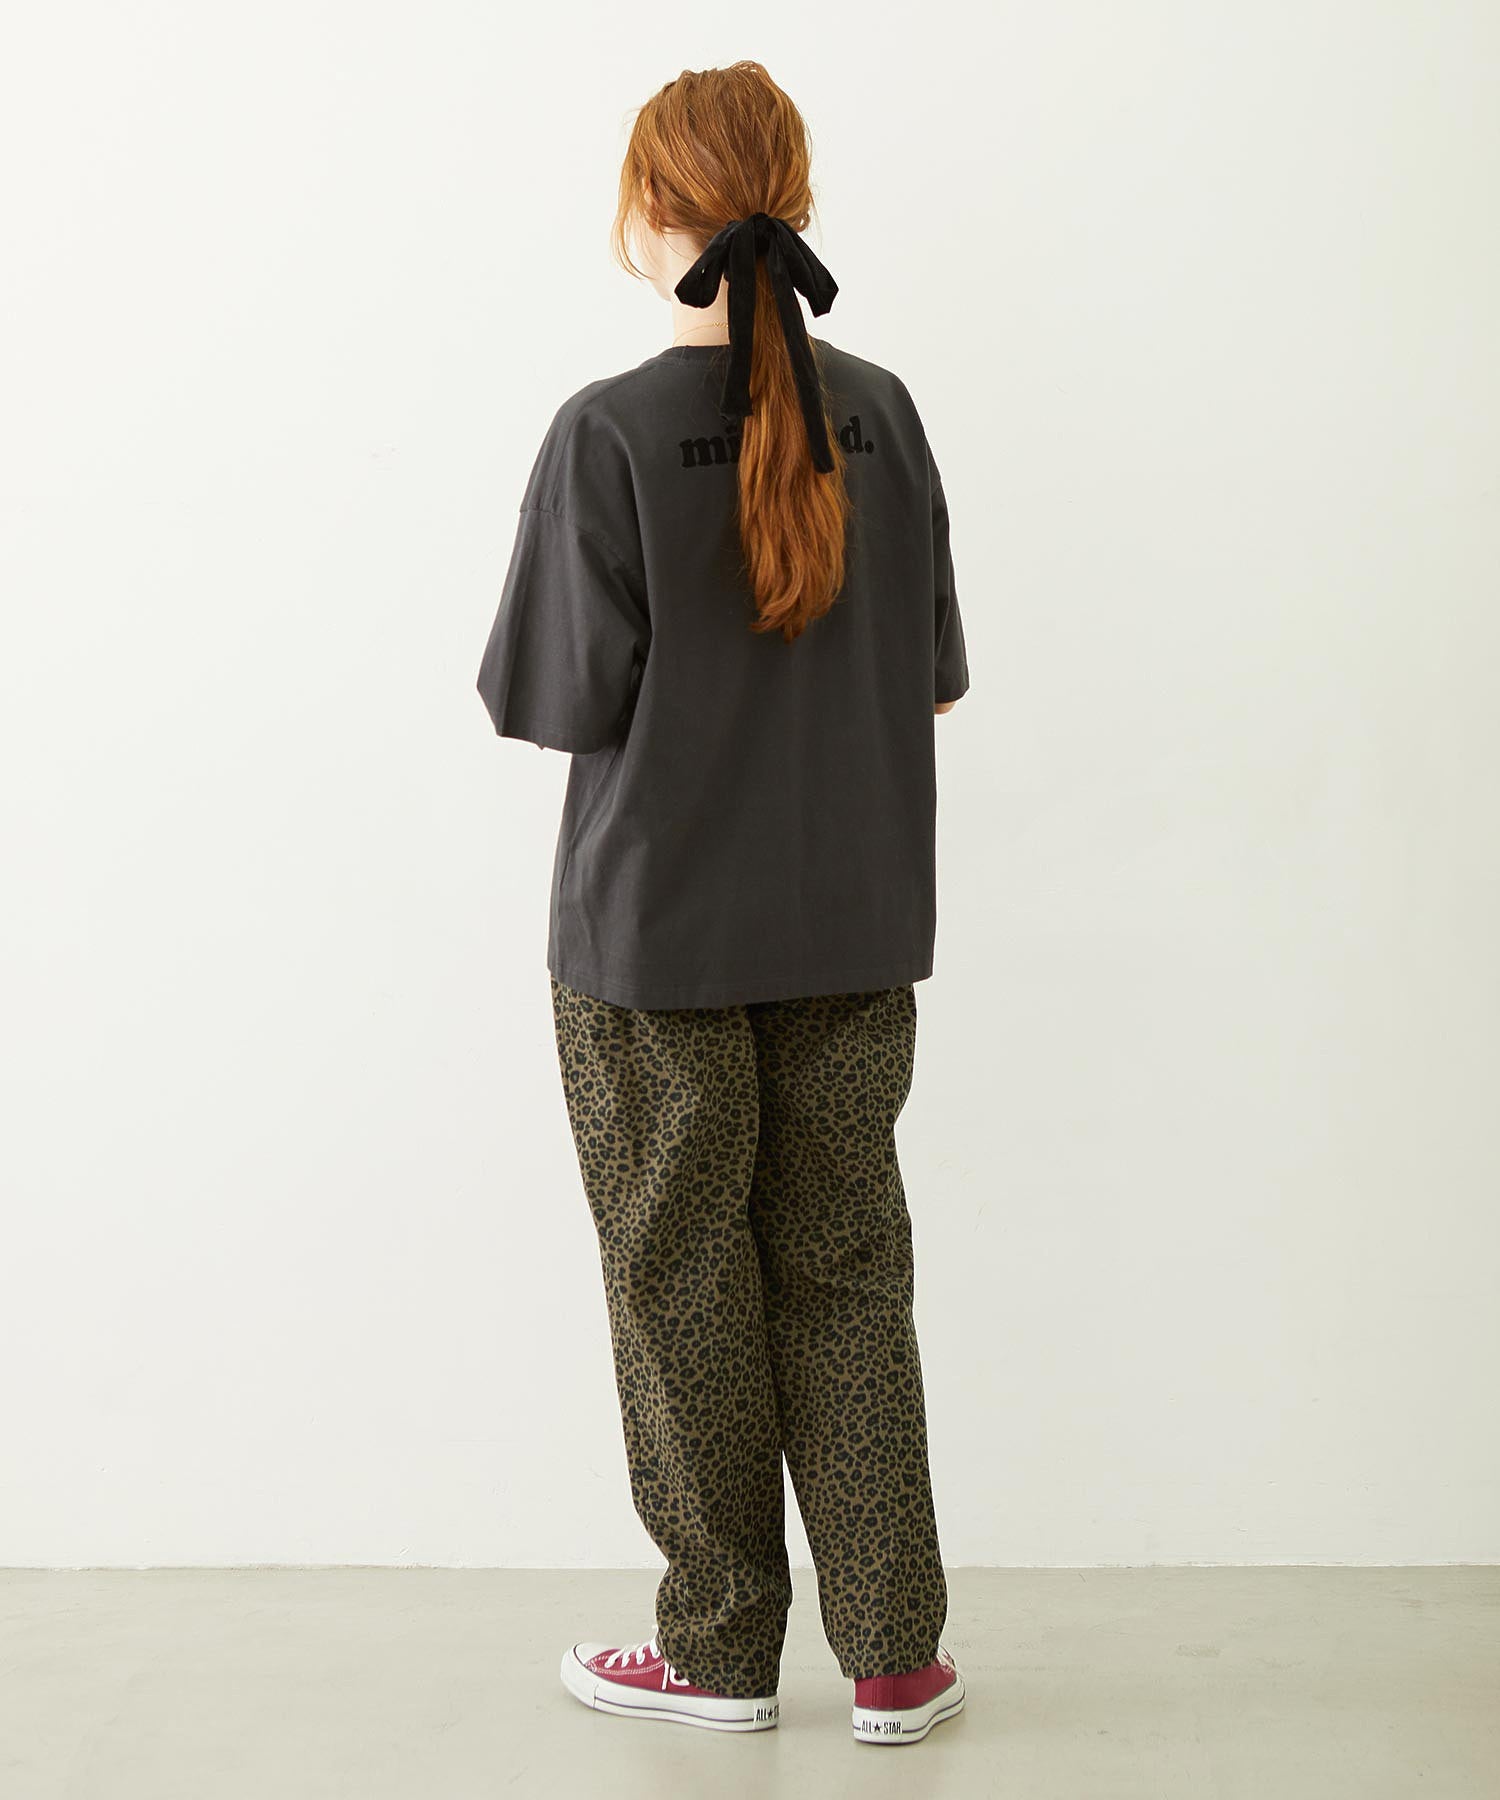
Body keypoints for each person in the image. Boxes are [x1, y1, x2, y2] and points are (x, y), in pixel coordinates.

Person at [475, 60, 970, 1747]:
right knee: (848, 1266)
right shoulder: (885, 413)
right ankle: (895, 1656)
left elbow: (548, 697)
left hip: (656, 942)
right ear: (796, 200)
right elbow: (930, 680)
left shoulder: (606, 434)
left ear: (648, 212)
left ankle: (718, 1651)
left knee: (681, 1278)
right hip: (855, 924)